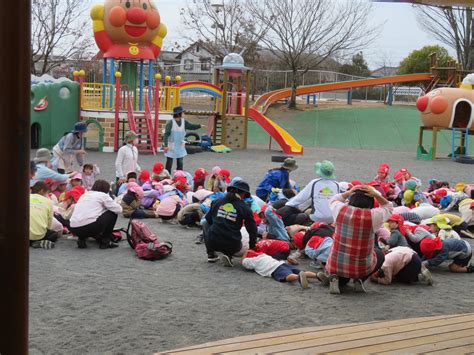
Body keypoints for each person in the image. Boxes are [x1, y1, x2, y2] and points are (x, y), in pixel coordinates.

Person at [324, 185, 393, 294]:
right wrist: (376, 195)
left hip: (336, 264)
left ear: (352, 198)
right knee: (379, 254)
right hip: (361, 267)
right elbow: (388, 207)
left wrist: (348, 192)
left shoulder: (340, 209)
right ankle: (359, 279)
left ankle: (334, 277)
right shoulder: (374, 216)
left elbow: (333, 199)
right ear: (371, 202)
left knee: (335, 249)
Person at [204, 179, 258, 266]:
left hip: (212, 241)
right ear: (243, 193)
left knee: (205, 223)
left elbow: (208, 220)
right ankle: (228, 255)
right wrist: (252, 247)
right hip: (233, 245)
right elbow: (252, 229)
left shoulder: (217, 201)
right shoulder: (245, 207)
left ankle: (211, 254)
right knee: (233, 233)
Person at [69, 180, 123, 249]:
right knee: (112, 213)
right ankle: (105, 241)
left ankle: (81, 239)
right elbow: (119, 209)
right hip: (90, 227)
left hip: (74, 228)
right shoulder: (102, 195)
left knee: (85, 217)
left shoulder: (85, 195)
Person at [242, 250, 316, 289]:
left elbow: (243, 261)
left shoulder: (252, 260)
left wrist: (245, 253)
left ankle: (298, 277)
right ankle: (317, 276)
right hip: (281, 263)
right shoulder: (264, 255)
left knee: (287, 276)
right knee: (301, 271)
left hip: (274, 269)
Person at [163, 106, 203, 173]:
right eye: (182, 112)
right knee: (169, 162)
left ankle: (179, 175)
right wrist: (165, 145)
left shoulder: (184, 122)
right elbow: (166, 134)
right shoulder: (170, 123)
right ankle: (167, 176)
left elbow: (191, 126)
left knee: (180, 162)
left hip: (180, 145)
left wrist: (199, 126)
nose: (183, 114)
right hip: (171, 145)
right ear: (179, 114)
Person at [30, 182, 60, 249]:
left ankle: (29, 242)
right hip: (38, 235)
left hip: (21, 235)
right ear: (41, 191)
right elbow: (49, 222)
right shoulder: (48, 202)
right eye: (47, 193)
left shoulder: (25, 197)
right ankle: (36, 242)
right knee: (54, 234)